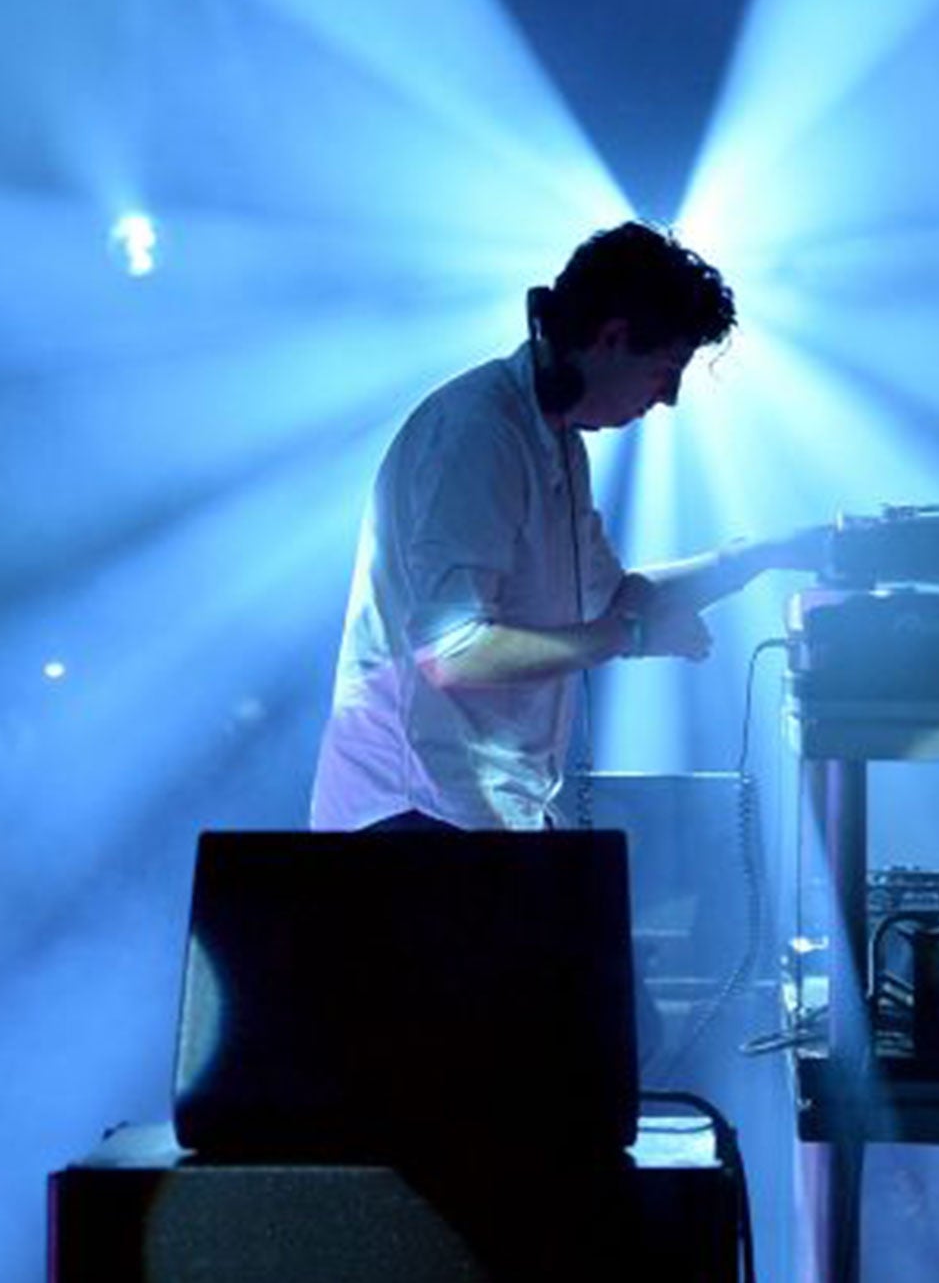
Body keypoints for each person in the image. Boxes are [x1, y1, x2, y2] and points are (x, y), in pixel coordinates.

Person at [311, 221, 821, 833]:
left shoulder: (555, 440)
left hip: (478, 810)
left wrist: (752, 559)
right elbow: (453, 652)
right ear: (611, 337)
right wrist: (623, 637)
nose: (669, 399)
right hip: (411, 812)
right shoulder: (482, 433)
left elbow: (616, 598)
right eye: (666, 370)